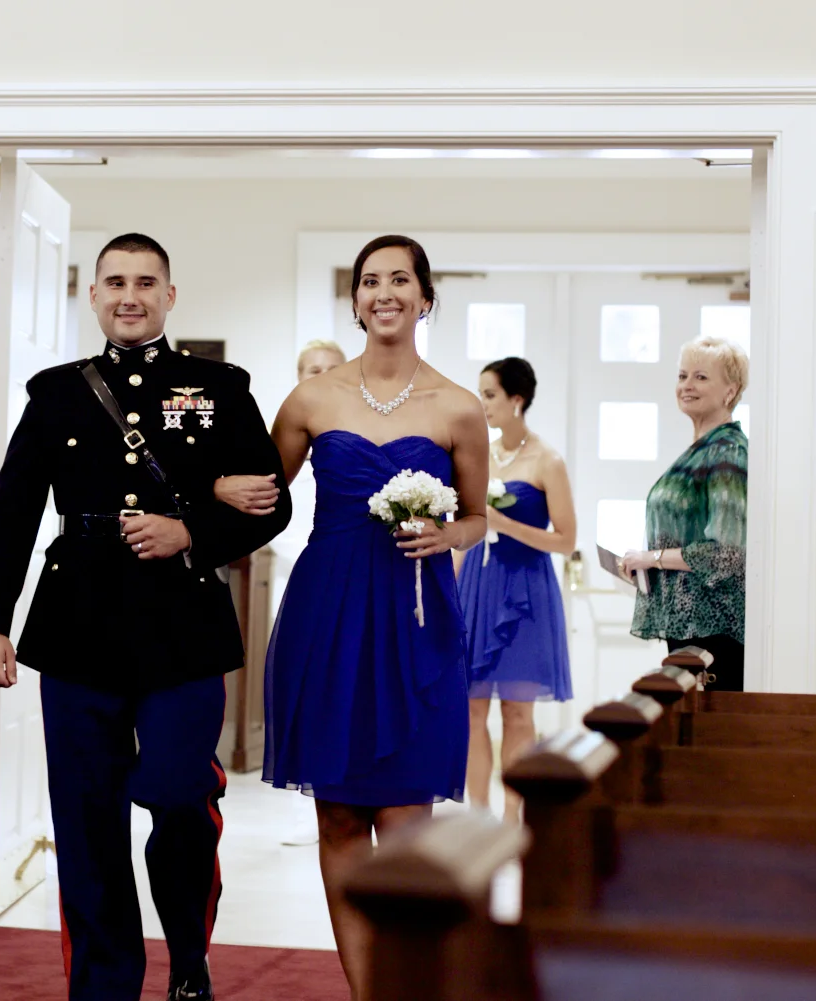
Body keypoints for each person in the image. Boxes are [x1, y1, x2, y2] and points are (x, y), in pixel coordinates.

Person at [0, 233, 291, 1001]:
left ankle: (187, 953)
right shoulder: (55, 392)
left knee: (179, 794)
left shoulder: (216, 387)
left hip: (183, 627)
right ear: (93, 295)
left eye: (145, 282)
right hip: (76, 627)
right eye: (115, 282)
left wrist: (191, 531)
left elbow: (271, 502)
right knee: (87, 821)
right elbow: (13, 514)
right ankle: (103, 985)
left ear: (168, 296)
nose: (129, 296)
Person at [261, 235, 488, 999]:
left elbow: (476, 517)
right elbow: (263, 497)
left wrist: (447, 534)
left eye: (398, 279)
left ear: (424, 297)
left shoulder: (458, 407)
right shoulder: (310, 400)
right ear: (355, 300)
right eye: (368, 280)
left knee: (406, 821)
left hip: (416, 621)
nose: (382, 291)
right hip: (325, 616)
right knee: (337, 818)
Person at [214, 338, 348, 848]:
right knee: (310, 686)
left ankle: (352, 791)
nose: (320, 375)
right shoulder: (290, 425)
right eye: (311, 369)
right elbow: (265, 490)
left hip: (350, 569)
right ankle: (313, 795)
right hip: (298, 568)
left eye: (330, 368)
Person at [454, 357, 575, 822]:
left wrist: (504, 524)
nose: (482, 403)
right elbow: (465, 530)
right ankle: (478, 817)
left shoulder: (547, 460)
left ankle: (512, 821)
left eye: (489, 395)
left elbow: (566, 540)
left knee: (518, 715)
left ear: (516, 400)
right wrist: (452, 592)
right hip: (478, 588)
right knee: (470, 711)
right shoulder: (479, 455)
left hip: (526, 591)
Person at [621, 334, 749, 691]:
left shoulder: (727, 452)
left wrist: (652, 557)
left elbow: (726, 553)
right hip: (690, 626)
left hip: (714, 631)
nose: (686, 385)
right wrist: (645, 564)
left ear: (730, 391)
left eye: (701, 377)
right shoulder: (700, 450)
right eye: (682, 376)